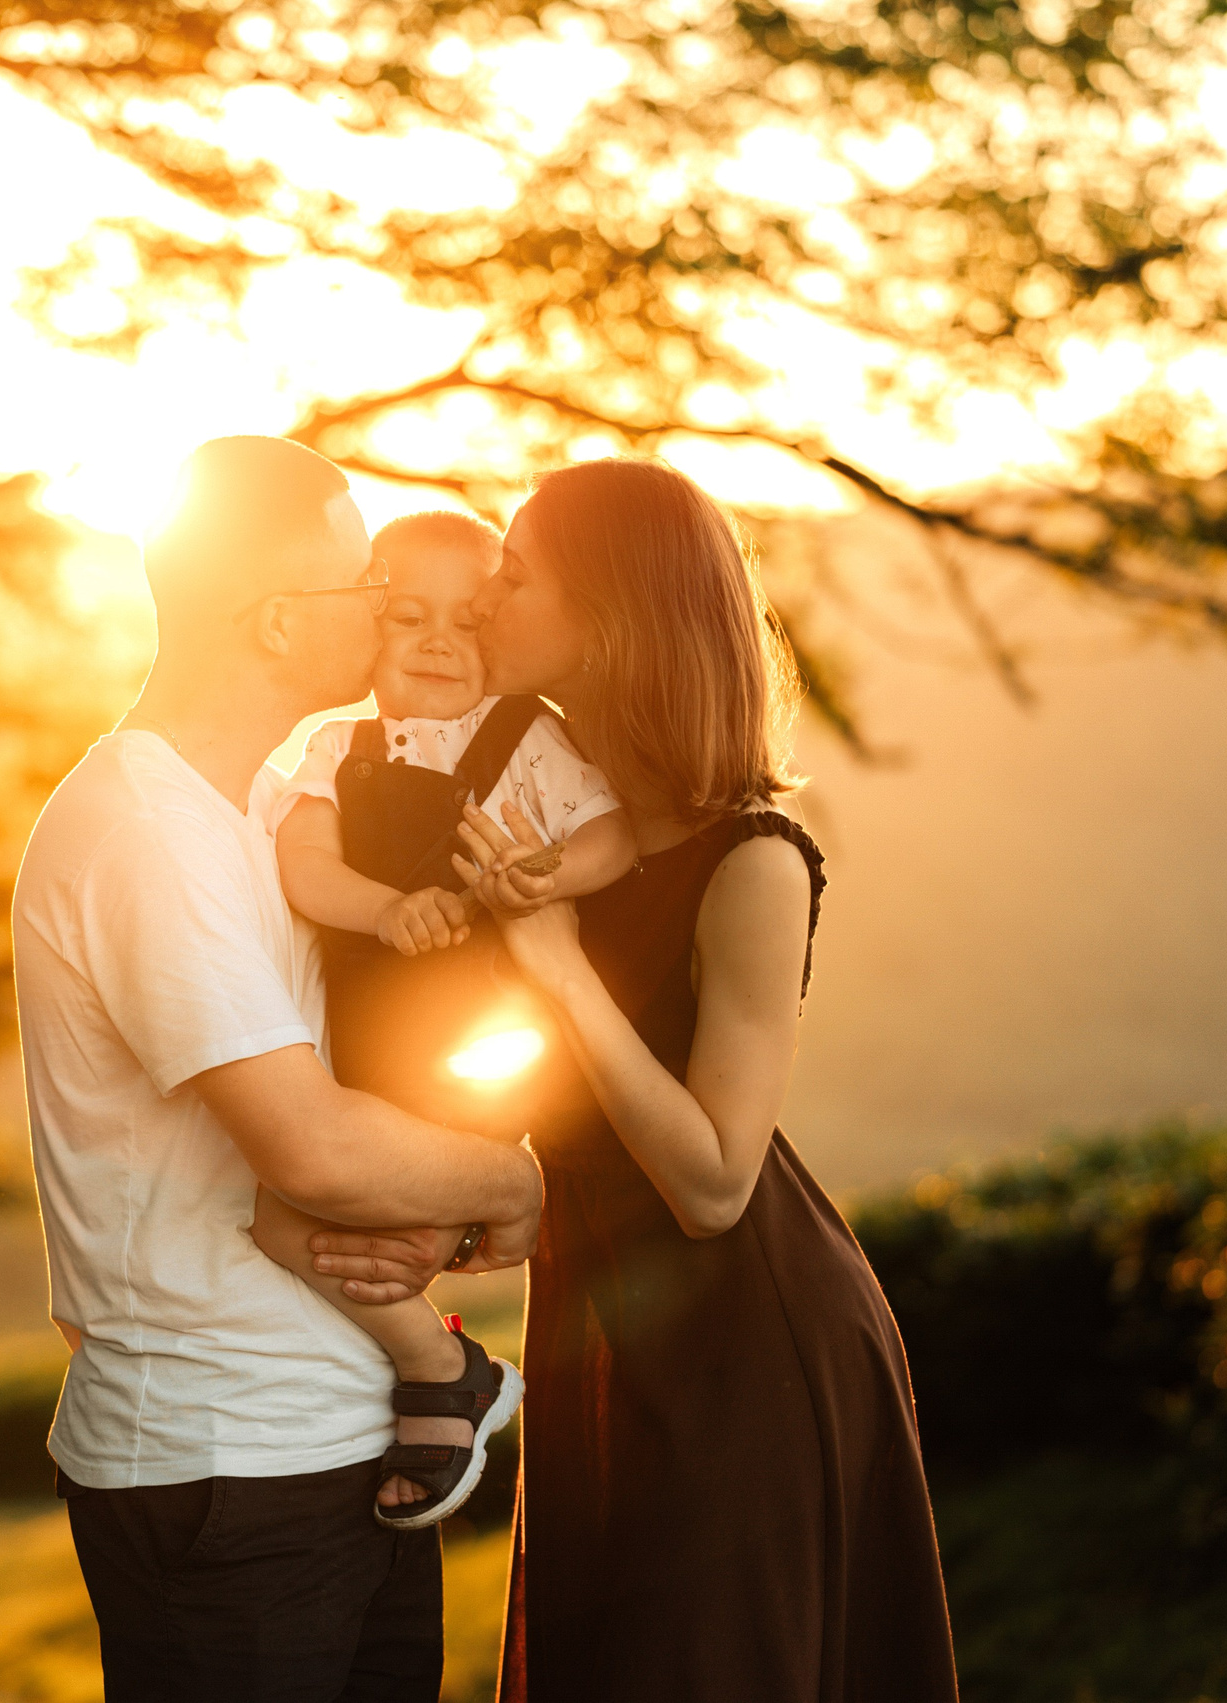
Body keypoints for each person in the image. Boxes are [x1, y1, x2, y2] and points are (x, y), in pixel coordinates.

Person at [307, 459, 962, 1701]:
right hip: (598, 1319)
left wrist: (554, 967)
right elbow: (517, 1091)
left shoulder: (749, 857)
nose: (481, 600)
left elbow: (715, 1180)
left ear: (603, 620)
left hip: (745, 1340)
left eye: (512, 576)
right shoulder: (533, 812)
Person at [10, 436, 546, 1702]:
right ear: (272, 621)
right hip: (225, 1471)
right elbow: (307, 1144)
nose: (386, 604)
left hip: (335, 1445)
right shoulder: (150, 833)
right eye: (363, 579)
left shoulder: (255, 809)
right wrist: (514, 1189)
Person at [250, 511, 637, 1529]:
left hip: (482, 1048)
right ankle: (438, 1360)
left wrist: (543, 873)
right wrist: (382, 907)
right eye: (408, 617)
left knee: (407, 1205)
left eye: (467, 623)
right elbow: (305, 863)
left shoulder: (527, 735)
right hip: (364, 1054)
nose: (436, 642)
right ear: (368, 628)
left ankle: (433, 1390)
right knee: (282, 1213)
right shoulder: (338, 748)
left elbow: (608, 834)